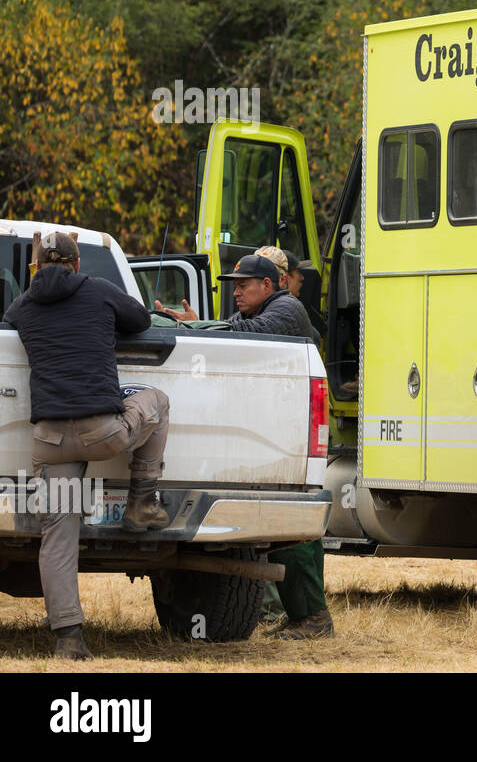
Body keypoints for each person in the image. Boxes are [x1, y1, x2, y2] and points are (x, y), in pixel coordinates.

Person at [3, 231, 170, 660]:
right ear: (77, 265)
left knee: (58, 534)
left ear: (36, 269)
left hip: (52, 441)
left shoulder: (22, 306)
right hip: (104, 435)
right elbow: (141, 320)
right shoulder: (97, 290)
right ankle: (141, 498)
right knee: (156, 400)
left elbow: (12, 323)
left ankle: (69, 639)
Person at [166, 252, 330, 639]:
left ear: (268, 286)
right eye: (233, 286)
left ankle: (314, 620)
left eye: (242, 286)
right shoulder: (264, 309)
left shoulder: (286, 308)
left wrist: (202, 330)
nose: (235, 292)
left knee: (292, 530)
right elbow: (232, 325)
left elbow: (239, 338)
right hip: (277, 429)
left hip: (291, 431)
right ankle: (301, 617)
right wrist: (197, 325)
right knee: (283, 530)